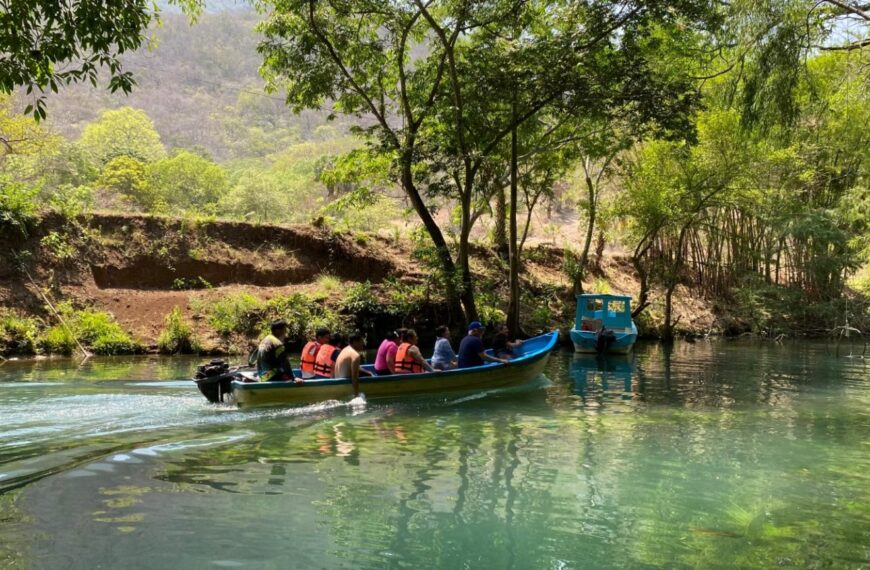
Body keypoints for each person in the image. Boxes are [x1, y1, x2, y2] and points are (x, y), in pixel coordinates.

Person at [334, 331, 369, 396]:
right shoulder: (355, 355)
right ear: (355, 342)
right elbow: (354, 378)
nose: (363, 344)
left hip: (337, 383)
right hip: (344, 386)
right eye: (361, 341)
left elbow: (356, 368)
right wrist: (357, 395)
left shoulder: (345, 349)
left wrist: (369, 373)